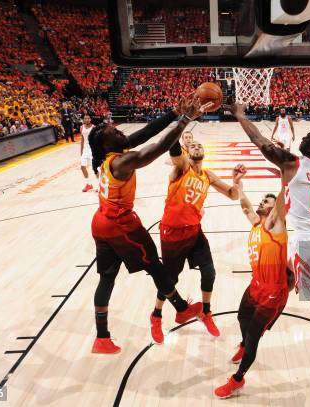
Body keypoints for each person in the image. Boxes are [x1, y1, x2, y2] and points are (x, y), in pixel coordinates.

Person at [227, 102, 310, 380]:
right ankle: (259, 327)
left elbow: (259, 141)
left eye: (309, 138)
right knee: (283, 279)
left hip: (308, 244)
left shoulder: (292, 164)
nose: (304, 139)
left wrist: (239, 114)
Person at [88, 95, 212, 354]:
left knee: (106, 278)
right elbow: (155, 148)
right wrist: (186, 120)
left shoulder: (109, 155)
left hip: (100, 222)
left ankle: (102, 338)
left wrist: (173, 113)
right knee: (155, 264)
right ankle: (180, 309)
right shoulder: (121, 163)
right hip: (119, 224)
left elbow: (146, 132)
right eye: (114, 131)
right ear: (106, 142)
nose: (120, 131)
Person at [150, 138, 243, 343]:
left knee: (209, 272)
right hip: (172, 232)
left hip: (194, 231)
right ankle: (156, 316)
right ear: (186, 151)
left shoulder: (208, 175)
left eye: (200, 145)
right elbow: (175, 152)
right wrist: (180, 125)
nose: (197, 147)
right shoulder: (182, 168)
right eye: (193, 146)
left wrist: (236, 181)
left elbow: (233, 195)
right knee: (170, 280)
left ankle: (206, 313)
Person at [214, 174, 292, 398]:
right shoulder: (257, 224)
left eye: (266, 202)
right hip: (255, 285)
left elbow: (280, 203)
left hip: (272, 293)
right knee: (241, 318)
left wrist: (285, 175)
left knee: (253, 338)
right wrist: (238, 184)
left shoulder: (275, 225)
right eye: (262, 200)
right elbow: (246, 206)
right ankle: (243, 345)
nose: (262, 203)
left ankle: (237, 379)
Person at [80, 115, 96, 192]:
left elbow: (96, 139)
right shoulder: (81, 127)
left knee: (95, 168)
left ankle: (100, 185)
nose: (86, 120)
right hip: (85, 150)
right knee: (82, 167)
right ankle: (88, 184)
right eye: (85, 118)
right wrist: (81, 151)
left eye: (88, 118)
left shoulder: (93, 127)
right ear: (83, 119)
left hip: (92, 149)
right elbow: (82, 139)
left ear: (90, 119)